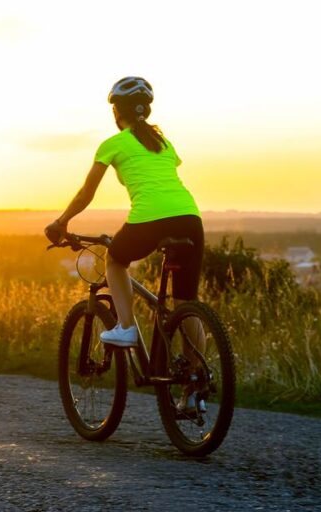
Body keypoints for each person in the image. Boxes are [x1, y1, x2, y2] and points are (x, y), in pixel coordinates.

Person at [45, 77, 206, 410]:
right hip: (190, 218)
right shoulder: (163, 142)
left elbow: (86, 193)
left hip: (150, 218)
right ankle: (195, 386)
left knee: (115, 260)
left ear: (117, 112)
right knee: (186, 304)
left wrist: (61, 222)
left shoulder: (113, 144)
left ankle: (127, 327)